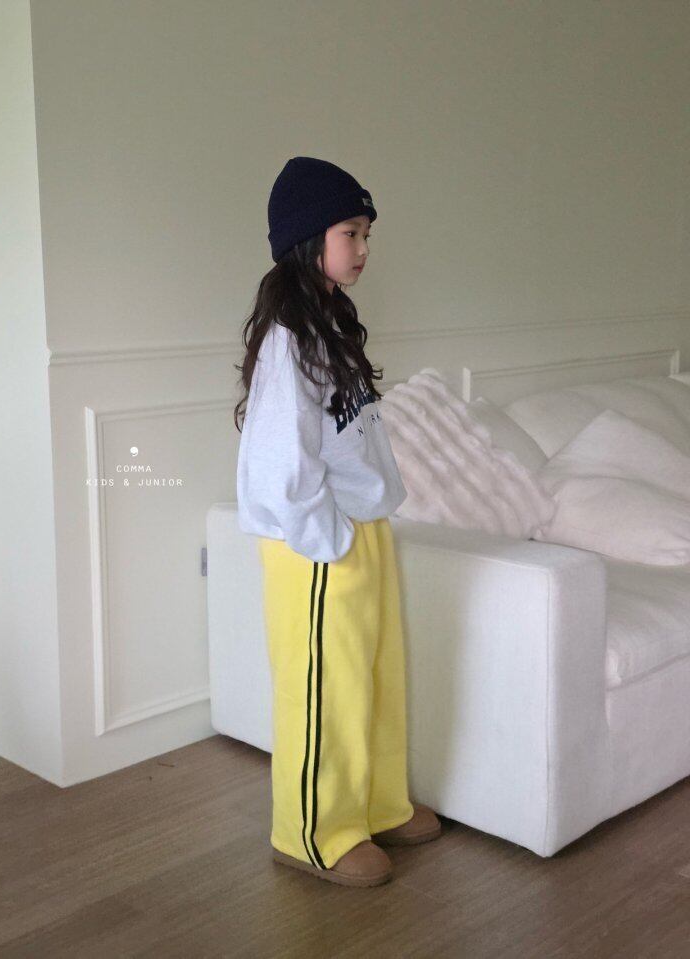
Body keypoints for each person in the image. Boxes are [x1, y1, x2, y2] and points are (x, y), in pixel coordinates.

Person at [234, 156, 441, 888]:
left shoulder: (329, 322)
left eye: (365, 234)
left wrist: (365, 523)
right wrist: (326, 539)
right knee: (326, 686)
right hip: (316, 543)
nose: (362, 248)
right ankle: (314, 832)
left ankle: (377, 804)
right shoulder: (289, 338)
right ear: (306, 237)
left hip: (359, 527)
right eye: (349, 232)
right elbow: (278, 460)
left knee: (376, 676)